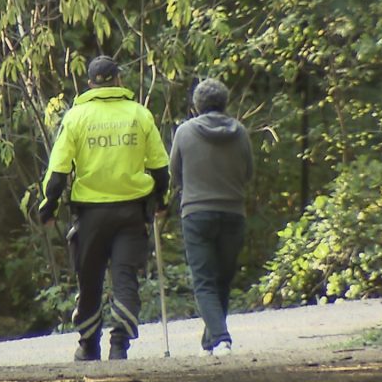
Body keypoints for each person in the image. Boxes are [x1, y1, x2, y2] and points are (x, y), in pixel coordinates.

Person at [39, 55, 169, 361]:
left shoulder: (76, 117)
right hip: (131, 212)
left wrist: (49, 206)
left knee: (90, 277)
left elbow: (58, 172)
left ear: (89, 83)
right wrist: (161, 201)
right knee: (125, 276)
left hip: (91, 214)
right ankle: (119, 343)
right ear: (119, 80)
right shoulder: (139, 114)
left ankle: (88, 343)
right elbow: (160, 168)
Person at [170, 78, 253, 357]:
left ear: (196, 106)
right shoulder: (240, 132)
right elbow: (249, 172)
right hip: (233, 212)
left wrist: (192, 188)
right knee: (222, 280)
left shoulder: (184, 132)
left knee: (205, 280)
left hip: (196, 213)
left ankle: (220, 339)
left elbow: (175, 173)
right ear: (225, 103)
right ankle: (212, 341)